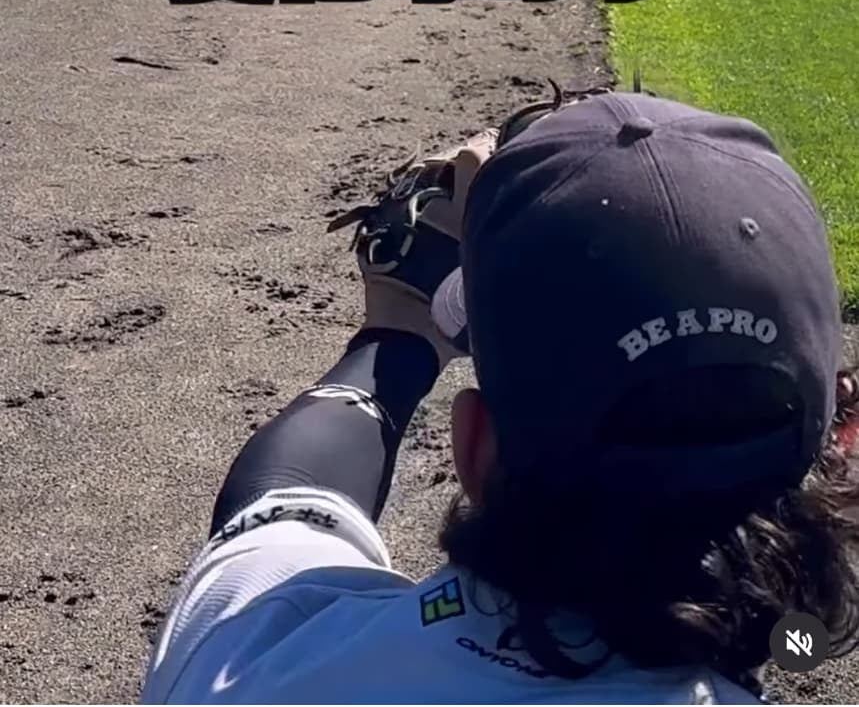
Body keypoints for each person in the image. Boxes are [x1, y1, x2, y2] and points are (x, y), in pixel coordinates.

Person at [141, 89, 858, 704]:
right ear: (844, 444)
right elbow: (772, 622)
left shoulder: (255, 665)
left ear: (475, 450)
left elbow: (282, 504)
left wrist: (400, 329)